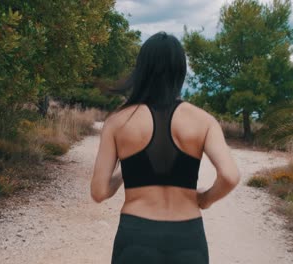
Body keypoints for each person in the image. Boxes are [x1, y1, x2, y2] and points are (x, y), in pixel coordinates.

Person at [90, 31, 240, 264]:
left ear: (142, 70)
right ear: (180, 71)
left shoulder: (117, 122)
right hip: (188, 237)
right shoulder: (203, 120)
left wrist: (123, 174)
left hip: (136, 236)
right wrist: (205, 199)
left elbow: (99, 192)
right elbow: (230, 176)